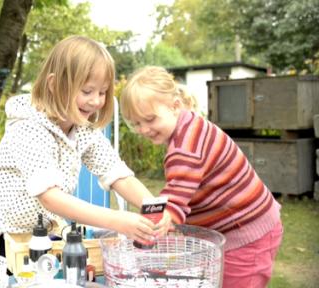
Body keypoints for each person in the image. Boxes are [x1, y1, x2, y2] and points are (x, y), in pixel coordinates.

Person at [0, 36, 170, 258]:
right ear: (55, 84)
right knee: (18, 279)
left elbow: (117, 174)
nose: (96, 101)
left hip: (41, 223)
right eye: (87, 91)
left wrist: (154, 209)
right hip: (2, 227)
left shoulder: (82, 127)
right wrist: (118, 220)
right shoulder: (28, 128)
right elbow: (50, 196)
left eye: (102, 92)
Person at [120, 66, 283, 288]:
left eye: (149, 119)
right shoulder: (189, 124)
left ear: (175, 106)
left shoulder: (185, 147)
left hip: (246, 234)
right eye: (136, 123)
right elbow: (185, 185)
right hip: (239, 228)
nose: (144, 129)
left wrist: (155, 226)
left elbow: (176, 197)